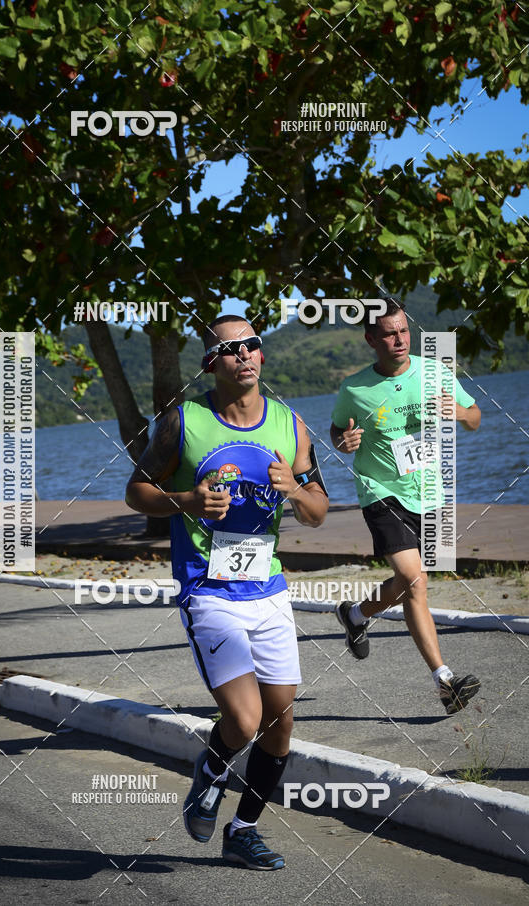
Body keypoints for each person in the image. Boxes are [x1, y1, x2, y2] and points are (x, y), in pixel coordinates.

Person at [126, 314, 328, 870]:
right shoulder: (182, 423)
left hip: (267, 589)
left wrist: (294, 490)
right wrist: (187, 500)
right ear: (211, 362)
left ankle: (243, 830)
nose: (244, 354)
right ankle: (211, 771)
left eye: (252, 345)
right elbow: (136, 491)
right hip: (208, 589)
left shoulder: (291, 426)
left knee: (281, 719)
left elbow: (317, 511)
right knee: (242, 720)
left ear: (262, 356)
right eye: (230, 348)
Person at [329, 299, 482, 715]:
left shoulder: (434, 371)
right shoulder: (355, 388)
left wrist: (460, 412)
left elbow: (475, 417)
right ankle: (445, 682)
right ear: (371, 340)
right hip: (380, 491)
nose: (399, 340)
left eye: (404, 331)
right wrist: (345, 442)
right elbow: (337, 431)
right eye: (389, 334)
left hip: (429, 491)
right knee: (415, 582)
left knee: (411, 581)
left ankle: (356, 614)